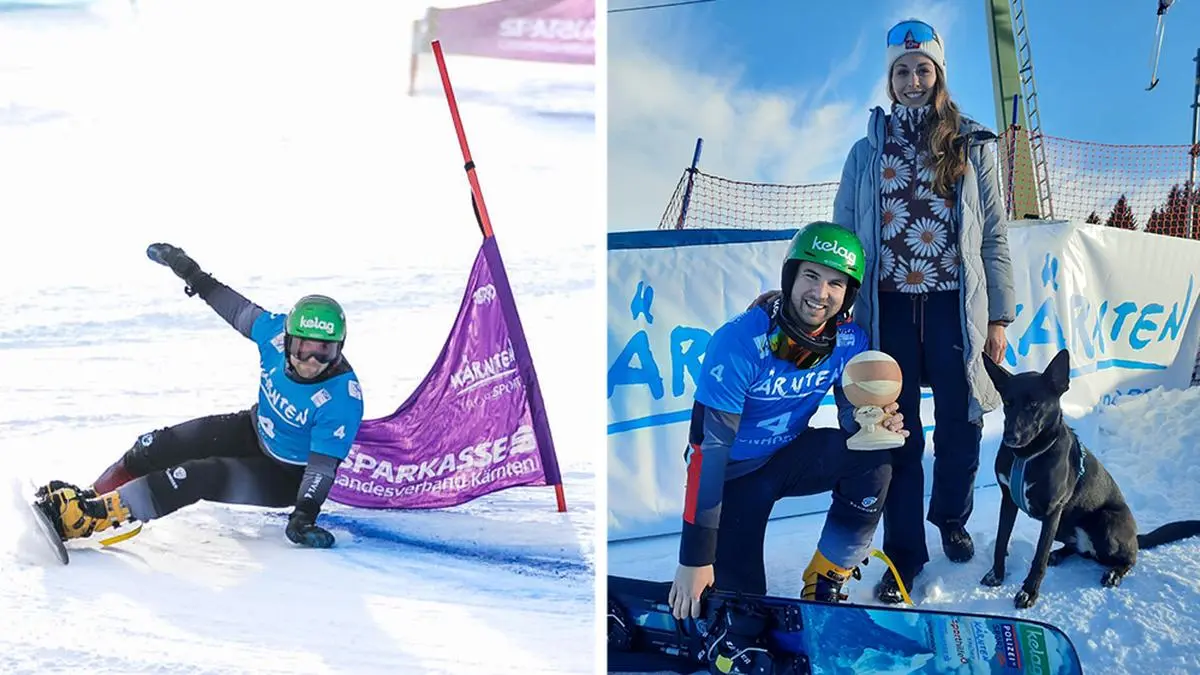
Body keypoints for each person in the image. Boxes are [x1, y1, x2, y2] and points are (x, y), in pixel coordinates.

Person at [831, 18, 1016, 603]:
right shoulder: (866, 152)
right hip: (887, 308)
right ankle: (904, 555)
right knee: (896, 429)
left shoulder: (972, 145)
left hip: (952, 305)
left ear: (939, 75)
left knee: (962, 422)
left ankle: (951, 517)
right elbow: (844, 234)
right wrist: (841, 307)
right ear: (890, 81)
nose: (913, 80)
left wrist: (999, 317)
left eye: (923, 70)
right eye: (902, 72)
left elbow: (994, 237)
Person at [34, 242, 365, 550]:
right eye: (304, 348)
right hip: (254, 430)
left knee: (195, 476)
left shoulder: (342, 399)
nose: (312, 361)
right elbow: (233, 307)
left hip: (286, 476)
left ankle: (95, 519)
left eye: (324, 351)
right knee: (154, 446)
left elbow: (321, 470)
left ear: (339, 349)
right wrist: (190, 272)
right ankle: (93, 499)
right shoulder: (273, 334)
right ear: (288, 340)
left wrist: (304, 515)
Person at [667, 221, 910, 622]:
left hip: (790, 456)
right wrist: (694, 557)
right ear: (790, 276)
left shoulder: (849, 340)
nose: (820, 293)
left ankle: (826, 579)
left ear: (849, 293)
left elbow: (850, 420)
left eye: (835, 283)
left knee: (874, 459)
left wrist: (874, 423)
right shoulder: (740, 341)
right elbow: (707, 449)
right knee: (744, 613)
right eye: (811, 276)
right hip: (734, 477)